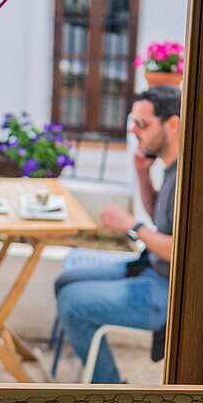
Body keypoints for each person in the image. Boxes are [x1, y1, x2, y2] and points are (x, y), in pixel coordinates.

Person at [54, 85, 180, 385]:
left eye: (143, 124)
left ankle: (107, 394)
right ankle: (87, 366)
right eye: (133, 123)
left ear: (172, 124)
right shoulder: (169, 167)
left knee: (72, 301)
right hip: (150, 268)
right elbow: (162, 220)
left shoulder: (187, 176)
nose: (135, 132)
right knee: (64, 280)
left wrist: (132, 226)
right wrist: (141, 174)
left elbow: (179, 250)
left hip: (165, 290)